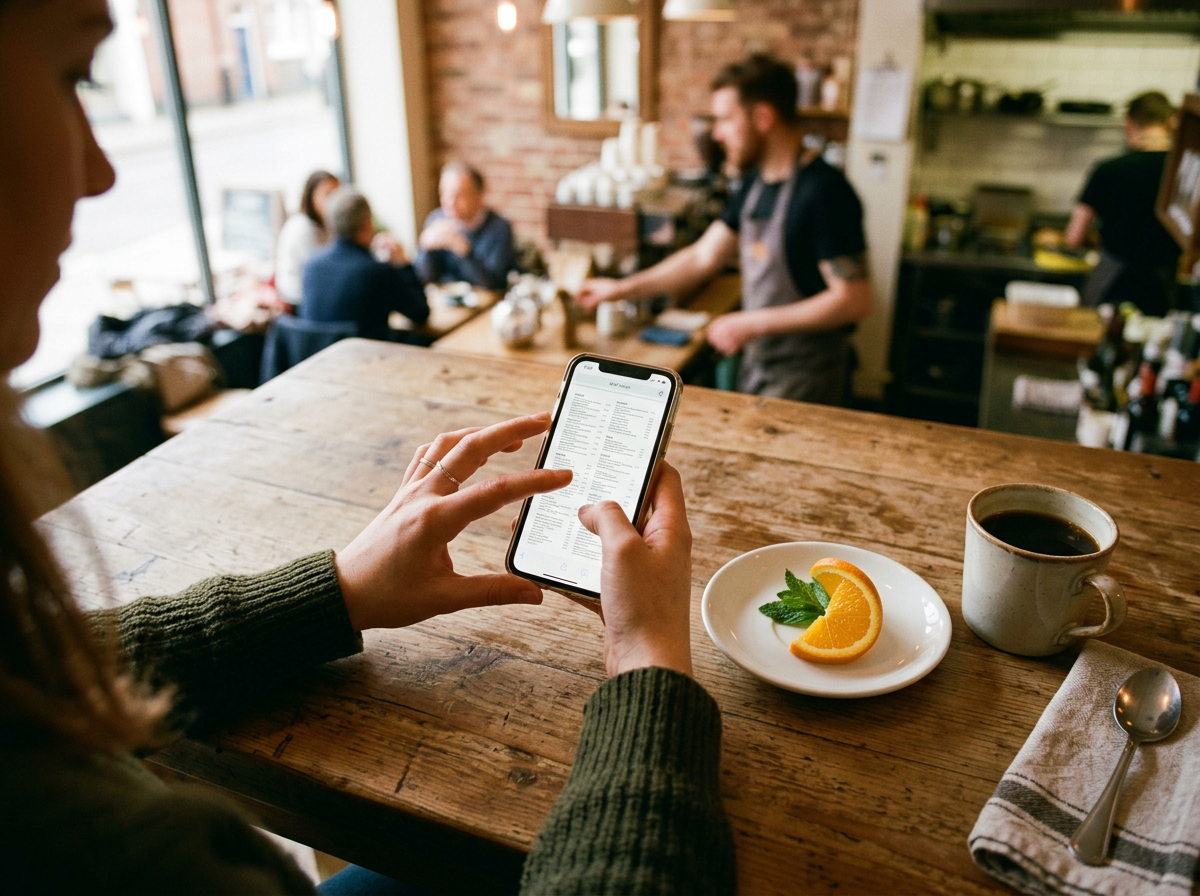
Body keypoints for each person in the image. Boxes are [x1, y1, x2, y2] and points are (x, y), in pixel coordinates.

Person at [0, 2, 736, 893]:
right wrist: (650, 661)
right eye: (75, 75)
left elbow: (30, 672)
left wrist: (338, 590)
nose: (103, 168)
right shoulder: (98, 850)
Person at [576, 54, 871, 406]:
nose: (717, 133)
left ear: (763, 116)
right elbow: (703, 256)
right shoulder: (755, 185)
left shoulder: (824, 191)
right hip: (760, 363)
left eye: (726, 119)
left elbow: (853, 300)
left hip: (808, 375)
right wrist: (620, 289)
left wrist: (752, 323)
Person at [1066, 91, 1180, 317]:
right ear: (1170, 123)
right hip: (1161, 286)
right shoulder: (1183, 172)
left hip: (1112, 281)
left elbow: (1074, 236)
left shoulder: (1110, 168)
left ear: (1129, 124)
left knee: (1096, 340)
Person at [300, 186, 430, 341]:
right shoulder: (375, 272)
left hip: (323, 361)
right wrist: (403, 264)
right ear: (367, 223)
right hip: (366, 361)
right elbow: (421, 313)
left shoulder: (310, 266)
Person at [415, 162, 516, 291]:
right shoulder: (436, 219)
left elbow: (494, 284)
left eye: (458, 195)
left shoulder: (499, 228)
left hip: (486, 304)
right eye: (444, 194)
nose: (449, 202)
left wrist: (464, 252)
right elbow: (424, 278)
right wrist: (425, 248)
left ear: (479, 196)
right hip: (447, 303)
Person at [275, 169, 341, 307]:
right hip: (298, 299)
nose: (334, 202)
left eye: (337, 195)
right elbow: (322, 273)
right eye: (328, 195)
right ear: (311, 197)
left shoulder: (323, 223)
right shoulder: (303, 228)